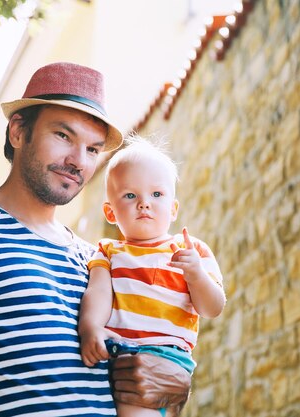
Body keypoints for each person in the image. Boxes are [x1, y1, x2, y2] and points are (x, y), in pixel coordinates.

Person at [0, 62, 191, 417]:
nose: (78, 161)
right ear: (18, 132)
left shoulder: (96, 260)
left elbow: (139, 371)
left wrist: (177, 385)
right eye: (63, 136)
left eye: (93, 149)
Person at [78, 137, 226, 417]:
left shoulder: (191, 250)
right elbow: (97, 292)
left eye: (157, 195)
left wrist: (195, 274)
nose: (144, 204)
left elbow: (212, 307)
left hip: (163, 356)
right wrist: (90, 327)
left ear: (173, 208)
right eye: (130, 196)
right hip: (116, 350)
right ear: (110, 211)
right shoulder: (108, 252)